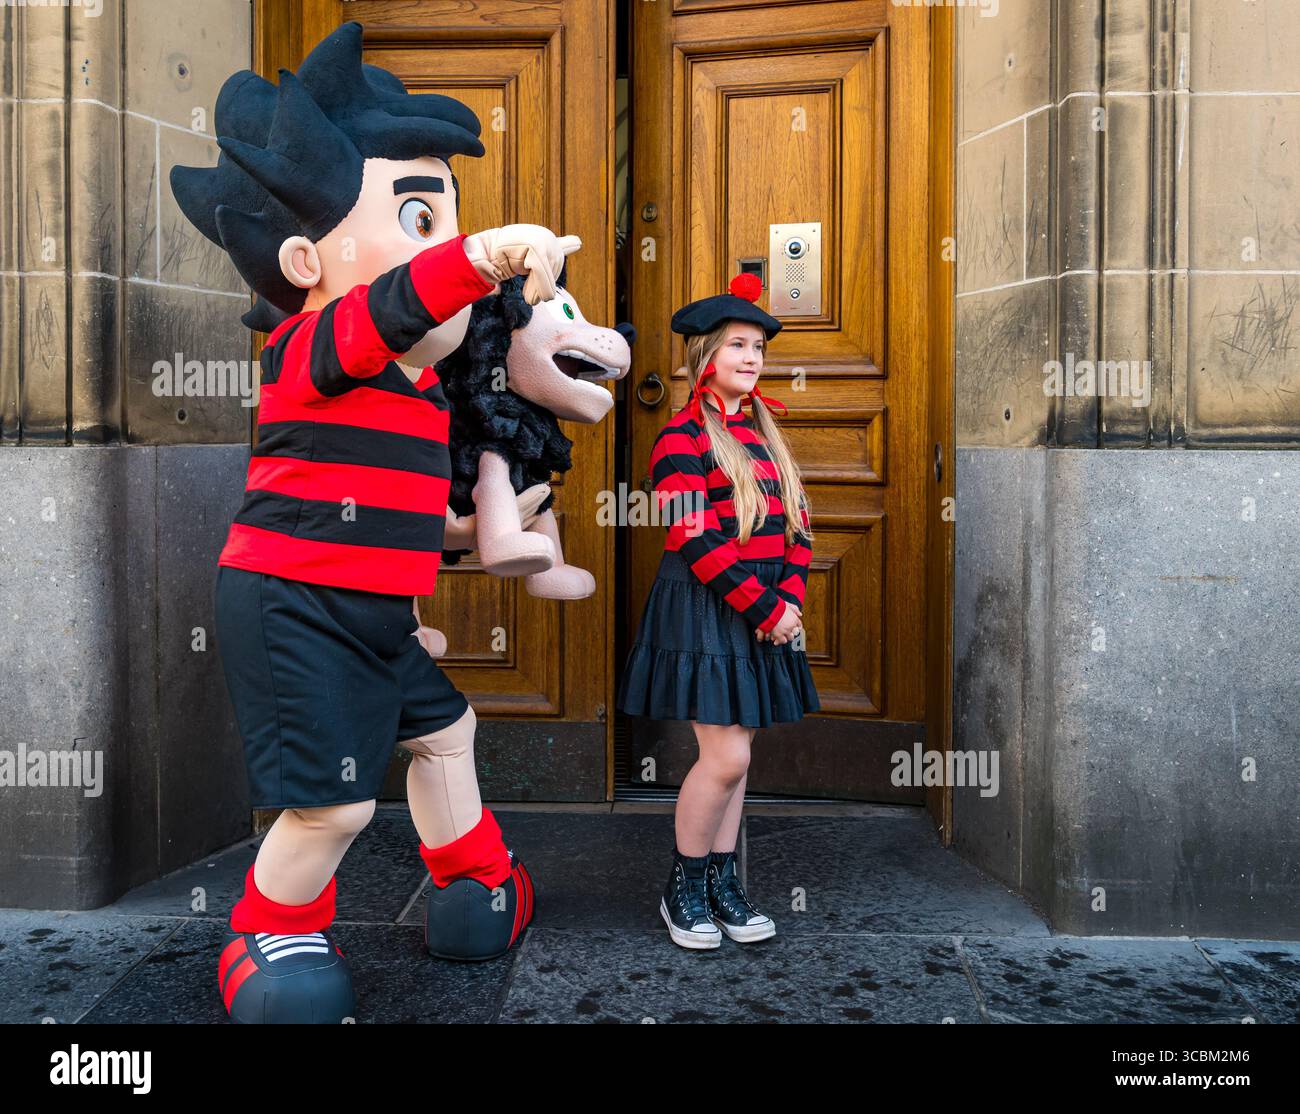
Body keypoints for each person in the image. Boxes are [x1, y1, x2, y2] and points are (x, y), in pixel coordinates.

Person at [171, 22, 577, 1022]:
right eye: (417, 215)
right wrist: (478, 258)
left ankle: (477, 879)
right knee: (338, 801)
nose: (439, 247)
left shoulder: (413, 392)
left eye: (446, 220)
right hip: (293, 607)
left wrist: (477, 528)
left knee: (447, 732)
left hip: (374, 613)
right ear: (307, 258)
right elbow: (391, 306)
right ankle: (266, 930)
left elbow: (384, 502)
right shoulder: (314, 343)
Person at [616, 273, 820, 950]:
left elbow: (800, 526)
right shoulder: (679, 439)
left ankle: (722, 884)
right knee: (725, 754)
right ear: (705, 356)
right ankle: (684, 885)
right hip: (706, 604)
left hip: (764, 609)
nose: (753, 357)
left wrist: (787, 598)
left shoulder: (766, 440)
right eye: (738, 345)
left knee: (742, 749)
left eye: (758, 346)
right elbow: (695, 541)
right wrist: (766, 607)